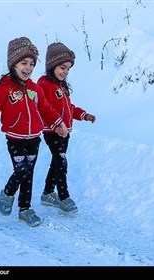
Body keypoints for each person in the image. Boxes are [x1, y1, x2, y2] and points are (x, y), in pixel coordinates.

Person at [0, 37, 68, 227]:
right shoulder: (4, 87)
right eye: (24, 63)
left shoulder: (35, 88)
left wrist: (58, 123)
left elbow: (46, 108)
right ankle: (8, 193)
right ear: (13, 64)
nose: (28, 68)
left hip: (34, 138)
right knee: (21, 171)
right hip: (15, 138)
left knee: (29, 174)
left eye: (31, 64)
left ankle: (25, 209)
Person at [37, 41, 96, 215]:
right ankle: (63, 197)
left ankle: (47, 194)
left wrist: (84, 115)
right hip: (52, 132)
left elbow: (69, 108)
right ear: (52, 65)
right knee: (61, 163)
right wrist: (56, 125)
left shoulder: (60, 87)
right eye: (62, 67)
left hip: (65, 132)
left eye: (68, 69)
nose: (65, 72)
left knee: (56, 162)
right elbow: (44, 109)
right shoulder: (44, 85)